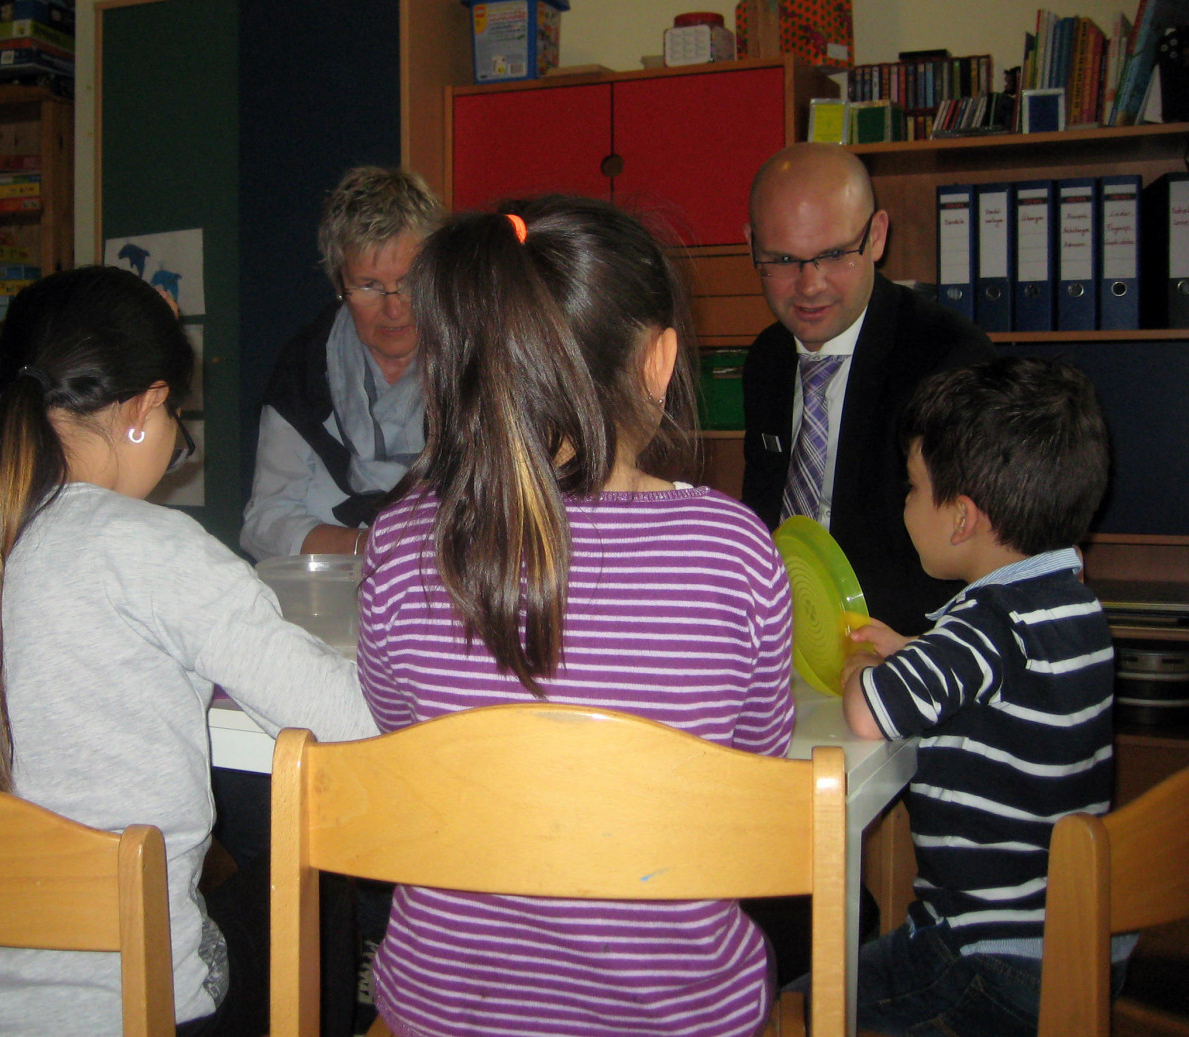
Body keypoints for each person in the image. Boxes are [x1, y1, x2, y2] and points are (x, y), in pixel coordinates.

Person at [0, 265, 377, 1037]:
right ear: (146, 410)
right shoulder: (154, 548)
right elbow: (355, 721)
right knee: (318, 879)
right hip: (130, 1006)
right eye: (178, 422)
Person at [358, 196, 796, 1037]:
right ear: (661, 364)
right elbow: (751, 786)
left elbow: (400, 735)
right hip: (676, 1016)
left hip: (443, 1014)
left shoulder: (400, 542)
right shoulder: (734, 549)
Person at [840, 356, 1120, 1036]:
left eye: (912, 488)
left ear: (961, 518)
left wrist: (854, 664)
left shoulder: (986, 623)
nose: (905, 504)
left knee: (802, 1002)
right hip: (1073, 941)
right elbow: (1000, 684)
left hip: (980, 956)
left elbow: (869, 710)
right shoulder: (1073, 606)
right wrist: (915, 651)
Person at [741, 142, 995, 636]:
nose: (810, 285)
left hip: (908, 647)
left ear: (876, 236)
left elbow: (978, 550)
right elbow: (765, 512)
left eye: (835, 254)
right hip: (789, 643)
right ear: (751, 245)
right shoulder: (767, 359)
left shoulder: (949, 357)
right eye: (783, 260)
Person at [239, 165, 443, 561]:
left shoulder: (477, 364)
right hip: (334, 593)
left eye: (411, 281)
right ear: (339, 284)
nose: (394, 307)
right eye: (369, 285)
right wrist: (372, 549)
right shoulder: (304, 370)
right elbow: (264, 521)